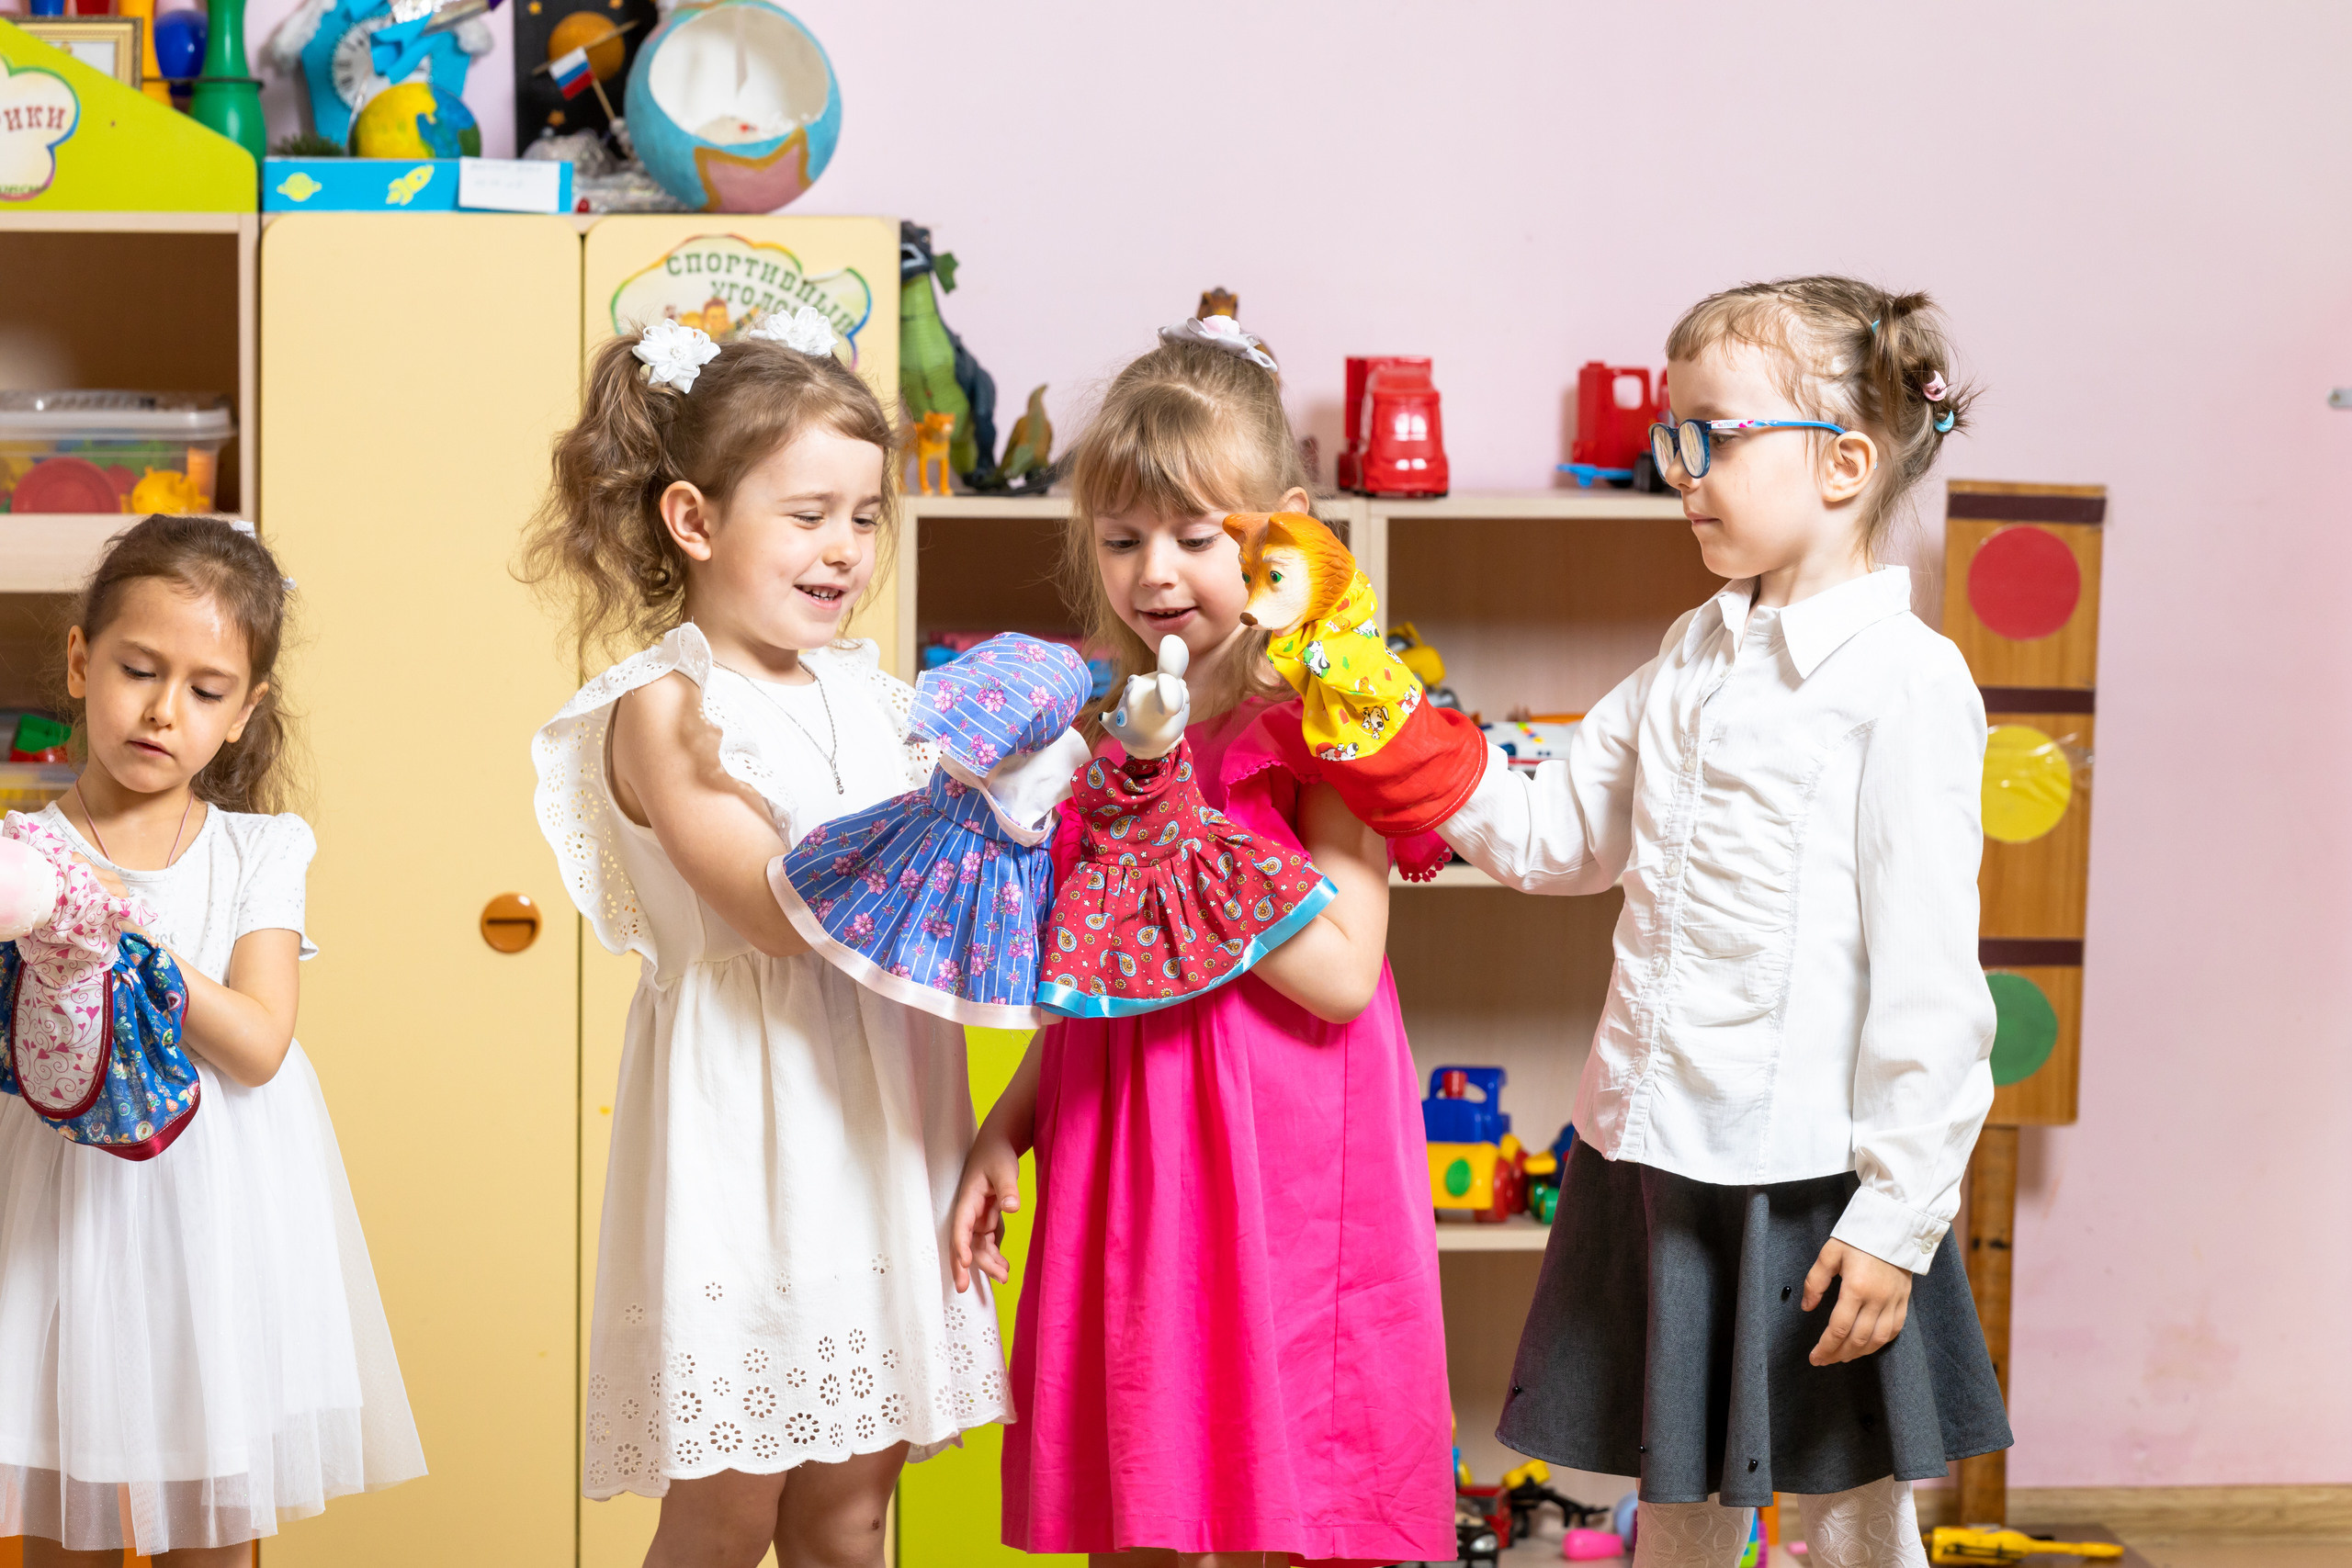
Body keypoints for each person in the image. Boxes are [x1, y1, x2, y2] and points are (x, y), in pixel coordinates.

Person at [1437, 277, 2014, 1568]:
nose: (1678, 469)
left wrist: (1894, 1214)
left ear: (1846, 463)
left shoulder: (1905, 683)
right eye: (1669, 436)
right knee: (1679, 1491)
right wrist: (1396, 740)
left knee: (1850, 1505)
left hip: (1815, 1175)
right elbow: (1555, 836)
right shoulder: (1692, 651)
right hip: (1664, 1155)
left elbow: (1932, 982)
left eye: (1713, 436)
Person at [947, 320, 1455, 1568]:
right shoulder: (1103, 728)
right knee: (1141, 1495)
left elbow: (1340, 975)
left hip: (1284, 1161)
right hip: (1133, 1139)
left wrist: (1184, 838)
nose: (1155, 573)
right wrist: (1007, 1124)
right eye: (1121, 540)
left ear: (1281, 528)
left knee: (1288, 1499)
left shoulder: (1328, 718)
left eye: (1195, 536)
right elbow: (1099, 969)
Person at [526, 308, 1004, 1568]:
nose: (843, 547)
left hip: (881, 1132)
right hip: (748, 1141)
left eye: (864, 513)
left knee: (850, 1510)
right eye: (807, 513)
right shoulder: (661, 706)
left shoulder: (878, 696)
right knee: (729, 1508)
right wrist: (965, 817)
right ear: (695, 520)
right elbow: (775, 908)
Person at [0, 514, 424, 1563]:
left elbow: (260, 1041)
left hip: (216, 1236)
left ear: (245, 713)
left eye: (205, 690)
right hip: (59, 1227)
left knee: (211, 1535)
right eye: (138, 669)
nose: (161, 710)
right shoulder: (22, 854)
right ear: (79, 661)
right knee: (62, 1523)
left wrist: (119, 927)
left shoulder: (261, 850)